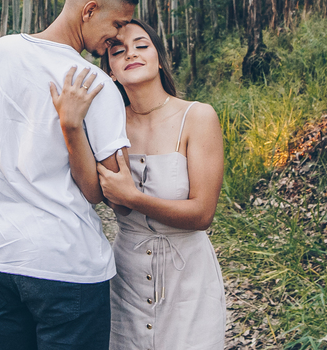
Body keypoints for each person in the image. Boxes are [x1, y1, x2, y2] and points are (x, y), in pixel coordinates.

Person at [0, 0, 138, 350]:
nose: (118, 37)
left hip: (4, 259)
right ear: (89, 10)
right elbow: (103, 193)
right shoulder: (94, 85)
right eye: (117, 24)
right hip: (69, 269)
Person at [54, 19, 227, 350]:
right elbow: (98, 195)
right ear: (111, 72)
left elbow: (203, 214)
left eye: (142, 45)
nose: (131, 54)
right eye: (118, 51)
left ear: (159, 58)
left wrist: (134, 197)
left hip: (189, 278)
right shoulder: (109, 122)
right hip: (127, 277)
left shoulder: (198, 117)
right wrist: (71, 126)